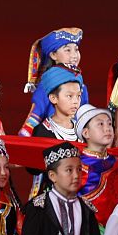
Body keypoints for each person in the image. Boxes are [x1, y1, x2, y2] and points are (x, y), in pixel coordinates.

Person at [18, 27, 88, 137]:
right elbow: (36, 114)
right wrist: (25, 135)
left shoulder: (81, 86)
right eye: (67, 50)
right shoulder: (47, 84)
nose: (74, 55)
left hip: (78, 136)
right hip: (51, 136)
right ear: (53, 55)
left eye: (76, 49)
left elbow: (85, 115)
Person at [28, 64, 83, 198]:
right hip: (52, 197)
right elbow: (33, 167)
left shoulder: (84, 130)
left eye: (78, 96)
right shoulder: (42, 131)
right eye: (69, 96)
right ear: (53, 98)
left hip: (82, 194)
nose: (76, 101)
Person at [74, 104, 116, 228]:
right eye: (100, 124)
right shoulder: (78, 165)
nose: (108, 128)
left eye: (109, 124)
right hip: (87, 231)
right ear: (86, 133)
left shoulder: (117, 161)